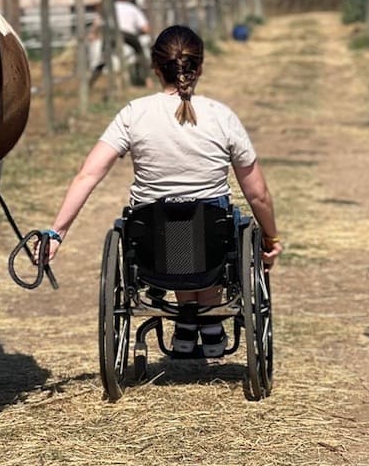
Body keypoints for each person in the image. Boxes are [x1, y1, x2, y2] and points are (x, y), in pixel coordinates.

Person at [42, 24, 282, 356]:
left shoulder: (133, 114)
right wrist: (271, 238)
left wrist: (57, 232)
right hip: (212, 243)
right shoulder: (222, 118)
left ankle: (186, 323)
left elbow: (88, 175)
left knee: (170, 223)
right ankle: (210, 324)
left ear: (156, 68)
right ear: (199, 68)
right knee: (222, 219)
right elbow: (258, 194)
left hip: (153, 247)